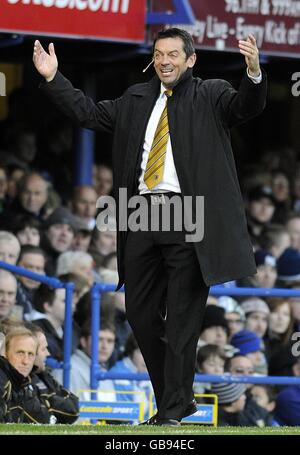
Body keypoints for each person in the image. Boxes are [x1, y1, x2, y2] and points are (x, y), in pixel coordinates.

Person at [33, 27, 267, 425]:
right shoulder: (135, 98)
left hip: (190, 216)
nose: (165, 61)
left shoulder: (210, 94)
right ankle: (179, 399)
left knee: (181, 320)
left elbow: (244, 108)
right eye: (159, 54)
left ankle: (172, 410)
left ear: (190, 60)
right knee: (140, 315)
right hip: (140, 215)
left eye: (173, 54)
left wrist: (254, 72)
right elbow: (87, 113)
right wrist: (54, 78)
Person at [0, 326, 51, 423]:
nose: (25, 361)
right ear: (5, 354)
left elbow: (45, 421)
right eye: (20, 353)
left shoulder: (25, 385)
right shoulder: (3, 382)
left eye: (30, 354)